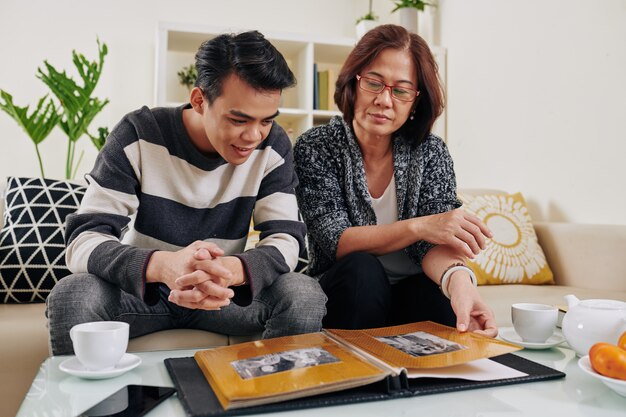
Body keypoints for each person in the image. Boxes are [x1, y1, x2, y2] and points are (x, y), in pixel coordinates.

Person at [46, 31, 327, 355]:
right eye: (238, 119)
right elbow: (83, 240)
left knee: (303, 294)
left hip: (223, 292)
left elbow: (286, 239)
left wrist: (232, 271)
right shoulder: (139, 134)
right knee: (73, 293)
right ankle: (91, 406)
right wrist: (164, 265)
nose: (253, 136)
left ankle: (269, 399)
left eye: (266, 121)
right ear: (198, 100)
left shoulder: (273, 144)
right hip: (146, 292)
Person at [294, 24, 497, 337]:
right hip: (349, 290)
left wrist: (460, 282)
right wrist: (418, 226)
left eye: (401, 90)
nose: (384, 100)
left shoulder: (431, 151)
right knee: (363, 271)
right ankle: (358, 380)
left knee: (443, 307)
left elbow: (436, 242)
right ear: (353, 81)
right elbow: (337, 240)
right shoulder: (317, 146)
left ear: (415, 101)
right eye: (374, 83)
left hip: (411, 290)